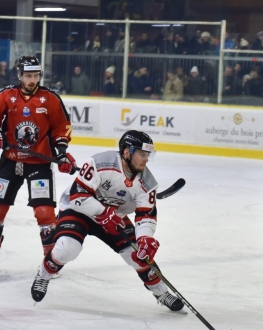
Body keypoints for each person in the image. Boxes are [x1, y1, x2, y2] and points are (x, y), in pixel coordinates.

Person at [29, 131, 184, 312]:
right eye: (142, 154)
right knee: (68, 248)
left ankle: (161, 293)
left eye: (148, 155)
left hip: (114, 216)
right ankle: (44, 274)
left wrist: (144, 238)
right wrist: (102, 212)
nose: (146, 160)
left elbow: (146, 215)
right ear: (127, 152)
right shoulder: (99, 163)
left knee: (139, 255)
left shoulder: (147, 183)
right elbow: (78, 196)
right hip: (78, 210)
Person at [0, 56, 75, 271]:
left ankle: (51, 260)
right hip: (10, 160)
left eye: (36, 75)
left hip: (39, 162)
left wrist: (61, 152)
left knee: (44, 214)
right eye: (28, 76)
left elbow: (62, 128)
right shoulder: (6, 96)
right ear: (20, 75)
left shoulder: (50, 99)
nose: (32, 80)